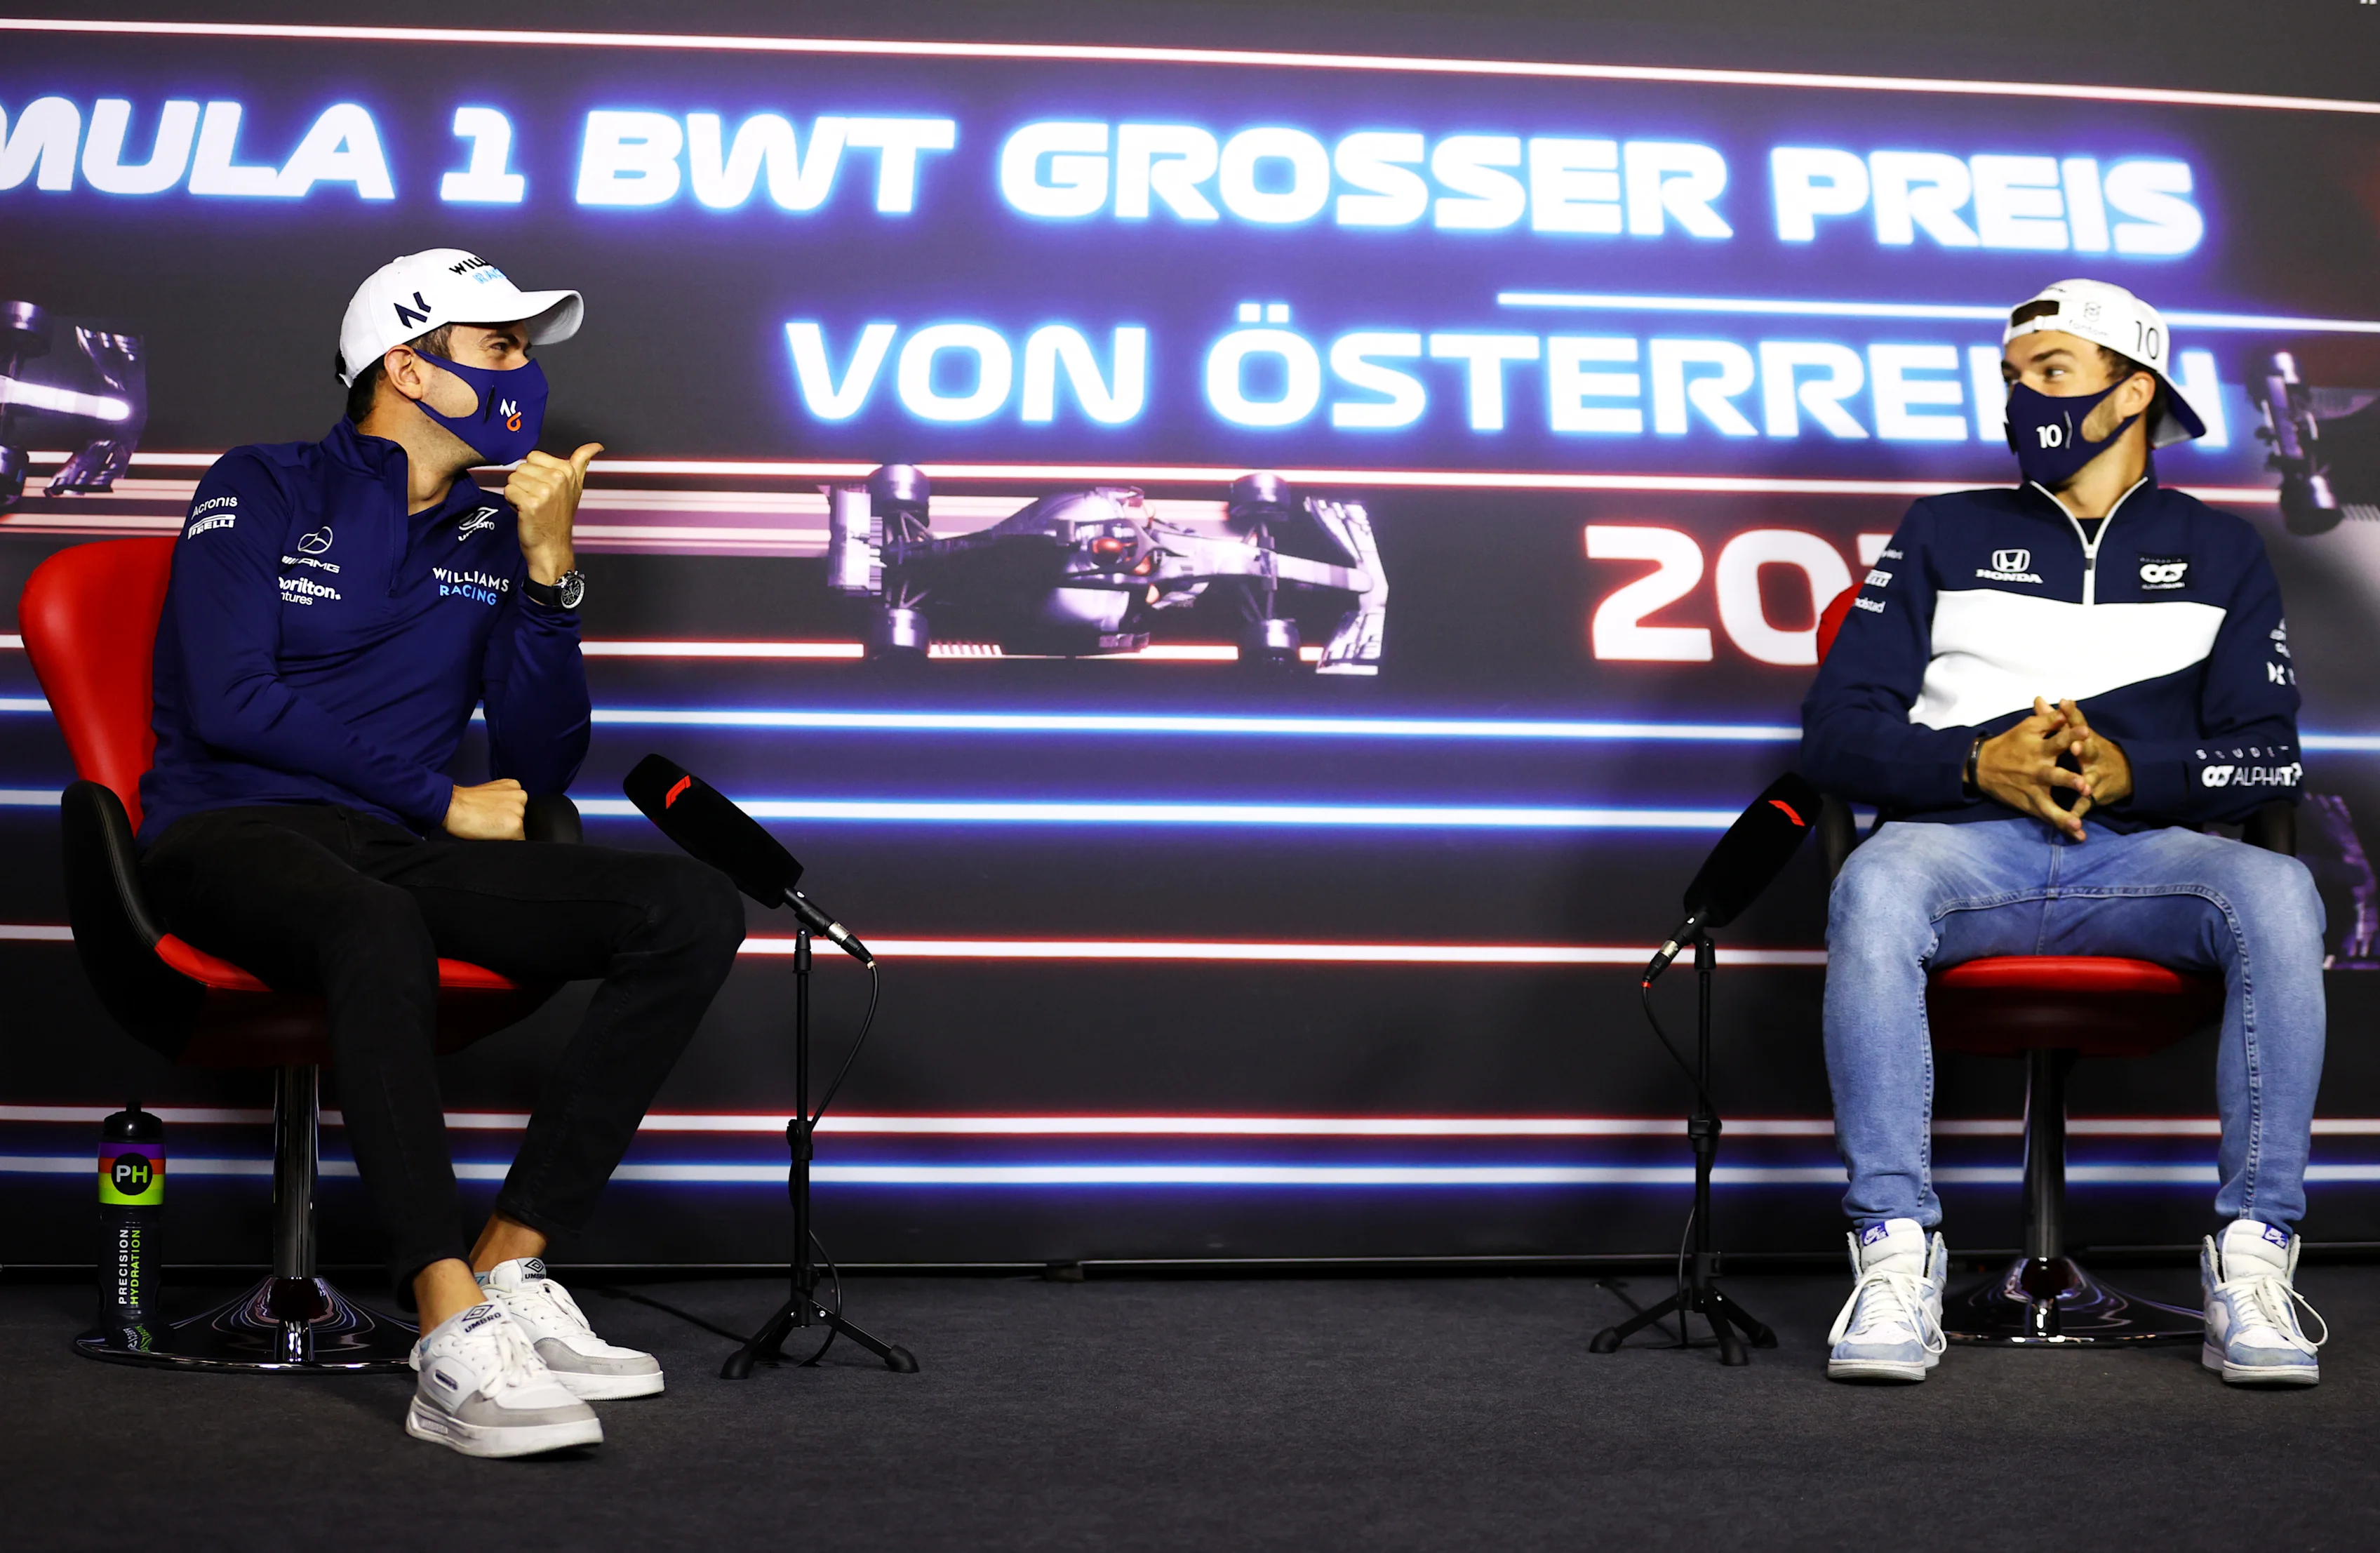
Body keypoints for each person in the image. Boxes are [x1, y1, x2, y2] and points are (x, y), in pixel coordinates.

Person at [138, 250, 747, 1455]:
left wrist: (551, 575)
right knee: (377, 921)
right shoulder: (259, 483)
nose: (527, 375)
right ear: (408, 369)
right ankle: (446, 1324)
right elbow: (228, 699)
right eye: (501, 347)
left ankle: (510, 1262)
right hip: (229, 833)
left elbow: (540, 756)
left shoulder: (491, 527)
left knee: (686, 908)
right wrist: (438, 796)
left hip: (388, 846)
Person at [1802, 279, 2328, 1387]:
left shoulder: (2223, 550)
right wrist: (1972, 761)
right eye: (2011, 378)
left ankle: (2254, 1259)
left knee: (2280, 889)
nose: (2022, 399)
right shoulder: (1943, 529)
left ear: (2134, 392)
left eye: (2051, 373)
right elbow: (1836, 736)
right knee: (1876, 882)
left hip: (2141, 862)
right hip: (1961, 852)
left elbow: (2271, 759)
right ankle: (1896, 1256)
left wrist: (2141, 770)